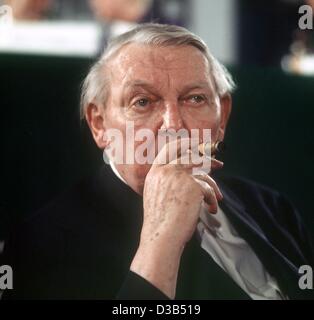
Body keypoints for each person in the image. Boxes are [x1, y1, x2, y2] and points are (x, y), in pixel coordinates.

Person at [1, 23, 314, 300]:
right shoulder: (43, 246)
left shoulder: (270, 207)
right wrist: (161, 238)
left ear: (223, 118)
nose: (173, 125)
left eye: (195, 98)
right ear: (99, 124)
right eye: (143, 102)